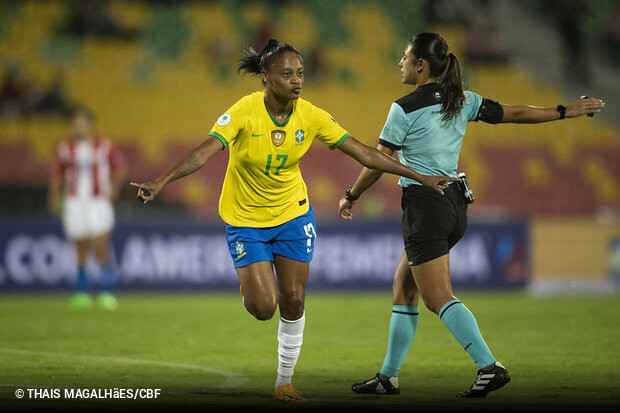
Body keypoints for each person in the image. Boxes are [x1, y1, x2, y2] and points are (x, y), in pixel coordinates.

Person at [130, 38, 455, 403]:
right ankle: (251, 289)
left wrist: (420, 175)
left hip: (292, 214)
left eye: (300, 73)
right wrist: (163, 180)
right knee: (264, 308)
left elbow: (364, 152)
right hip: (245, 218)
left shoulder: (311, 114)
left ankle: (283, 383)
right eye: (287, 74)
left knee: (295, 299)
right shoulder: (243, 111)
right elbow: (204, 152)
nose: (297, 81)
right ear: (266, 77)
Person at [339, 33, 604, 398]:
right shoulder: (461, 99)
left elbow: (378, 161)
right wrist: (563, 111)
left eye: (405, 57)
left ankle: (488, 365)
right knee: (403, 288)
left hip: (424, 207)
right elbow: (514, 113)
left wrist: (350, 195)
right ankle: (388, 377)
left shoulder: (404, 107)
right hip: (455, 206)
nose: (400, 63)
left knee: (438, 298)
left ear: (421, 65)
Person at [48, 106, 127, 310]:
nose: (78, 128)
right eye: (75, 125)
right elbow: (57, 174)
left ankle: (106, 292)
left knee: (100, 244)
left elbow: (120, 168)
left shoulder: (105, 146)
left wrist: (113, 190)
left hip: (98, 201)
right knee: (80, 247)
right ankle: (82, 293)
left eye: (81, 124)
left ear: (90, 126)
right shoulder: (65, 148)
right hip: (74, 202)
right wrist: (54, 196)